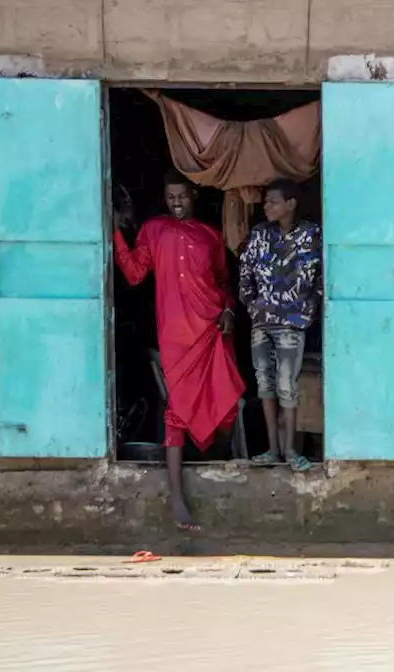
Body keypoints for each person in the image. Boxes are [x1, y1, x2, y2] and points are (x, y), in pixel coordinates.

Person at [113, 170, 246, 531]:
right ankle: (176, 498)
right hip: (176, 337)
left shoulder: (211, 235)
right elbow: (135, 273)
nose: (176, 203)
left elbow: (223, 281)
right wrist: (116, 233)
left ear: (194, 196)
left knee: (226, 407)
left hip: (213, 331)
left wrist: (230, 310)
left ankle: (219, 464)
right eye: (170, 198)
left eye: (182, 197)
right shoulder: (153, 230)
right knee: (177, 413)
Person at [239, 178, 321, 472]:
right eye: (265, 201)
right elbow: (245, 272)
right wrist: (252, 305)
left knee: (288, 386)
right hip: (262, 323)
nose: (266, 206)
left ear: (291, 204)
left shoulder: (311, 235)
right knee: (265, 386)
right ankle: (272, 450)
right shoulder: (260, 234)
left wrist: (309, 309)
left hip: (292, 323)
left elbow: (324, 275)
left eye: (272, 201)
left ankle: (290, 451)